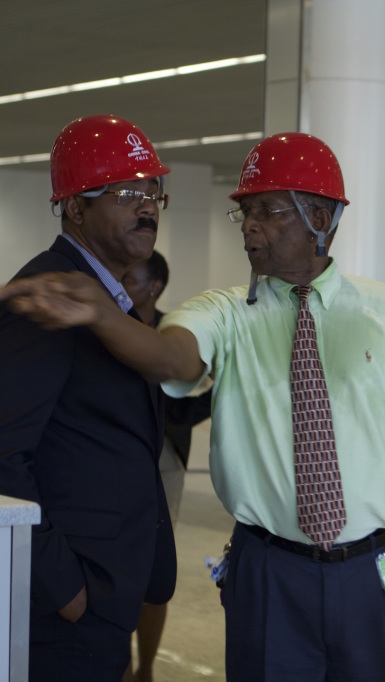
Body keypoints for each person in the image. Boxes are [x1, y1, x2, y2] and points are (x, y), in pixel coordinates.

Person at [0, 132, 385, 681]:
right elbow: (170, 359)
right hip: (269, 566)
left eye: (267, 211)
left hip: (380, 565)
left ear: (320, 215)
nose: (249, 227)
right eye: (243, 213)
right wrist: (102, 314)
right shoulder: (222, 311)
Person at [0, 114, 176, 681]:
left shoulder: (109, 300)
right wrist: (67, 588)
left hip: (107, 584)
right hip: (69, 600)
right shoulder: (49, 296)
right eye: (127, 193)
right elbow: (3, 453)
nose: (146, 207)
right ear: (76, 208)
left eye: (152, 193)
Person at [121, 251, 212, 682]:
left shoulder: (177, 332)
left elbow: (200, 396)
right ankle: (119, 664)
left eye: (132, 277)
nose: (122, 282)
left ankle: (146, 667)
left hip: (162, 459)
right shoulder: (109, 323)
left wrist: (169, 415)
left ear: (155, 285)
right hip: (114, 458)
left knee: (152, 568)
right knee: (116, 565)